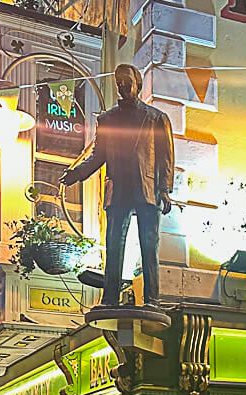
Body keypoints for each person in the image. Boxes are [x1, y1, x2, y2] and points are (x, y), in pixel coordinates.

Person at [60, 64, 174, 307]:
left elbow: (165, 157)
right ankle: (110, 297)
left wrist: (165, 189)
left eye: (127, 81)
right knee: (113, 246)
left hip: (147, 189)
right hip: (118, 189)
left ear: (138, 84)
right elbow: (98, 155)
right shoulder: (107, 119)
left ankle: (152, 299)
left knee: (149, 247)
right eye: (118, 81)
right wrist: (76, 174)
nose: (122, 85)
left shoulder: (156, 118)